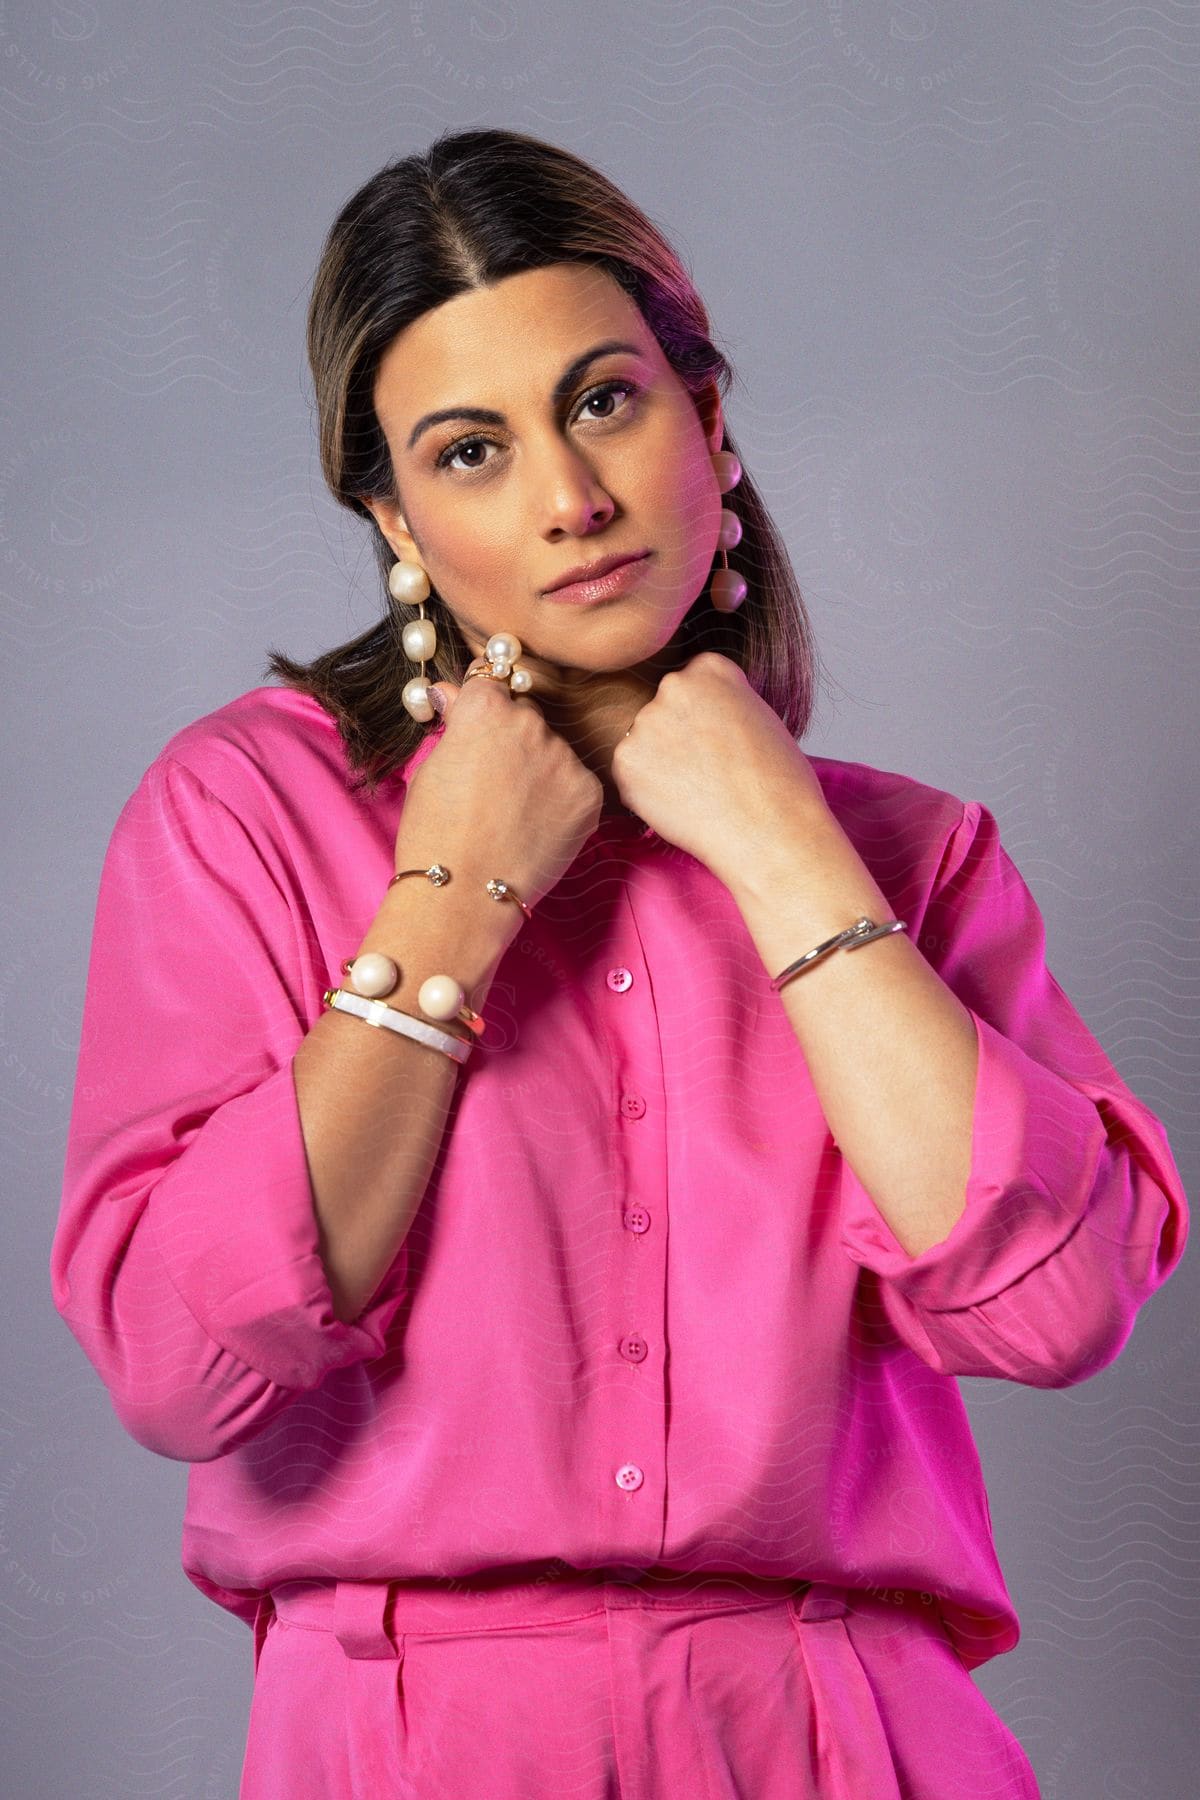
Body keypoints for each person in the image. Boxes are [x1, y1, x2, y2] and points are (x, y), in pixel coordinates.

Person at [52, 127, 1189, 1800]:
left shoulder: (914, 855)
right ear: (392, 514)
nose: (570, 501)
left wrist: (781, 845)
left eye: (604, 401)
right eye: (468, 450)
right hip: (407, 1738)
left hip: (845, 1732)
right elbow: (182, 1363)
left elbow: (1060, 1304)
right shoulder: (248, 815)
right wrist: (455, 895)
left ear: (709, 422)